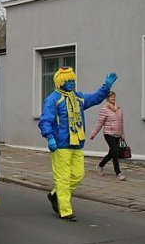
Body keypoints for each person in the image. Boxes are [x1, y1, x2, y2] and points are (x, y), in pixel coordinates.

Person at [39, 67, 117, 221]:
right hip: (61, 145)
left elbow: (94, 98)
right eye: (68, 81)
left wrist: (106, 87)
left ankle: (55, 195)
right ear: (60, 82)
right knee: (63, 178)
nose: (71, 83)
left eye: (72, 80)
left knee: (78, 175)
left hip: (77, 144)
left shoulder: (78, 97)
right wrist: (49, 137)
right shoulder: (53, 99)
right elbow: (45, 120)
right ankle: (65, 211)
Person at [89, 91, 126, 180]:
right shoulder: (104, 110)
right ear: (107, 99)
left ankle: (100, 165)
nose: (113, 98)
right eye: (111, 97)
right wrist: (94, 133)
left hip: (117, 134)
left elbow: (121, 123)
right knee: (115, 152)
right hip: (108, 134)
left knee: (111, 153)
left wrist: (122, 134)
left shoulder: (118, 109)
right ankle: (118, 173)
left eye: (114, 97)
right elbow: (100, 123)